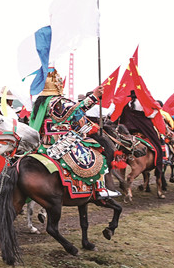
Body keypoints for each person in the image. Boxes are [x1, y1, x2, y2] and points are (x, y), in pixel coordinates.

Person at [29, 68, 117, 198]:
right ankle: (99, 188)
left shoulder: (41, 103)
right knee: (96, 152)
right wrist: (94, 96)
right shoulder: (57, 101)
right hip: (59, 140)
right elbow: (75, 110)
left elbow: (71, 116)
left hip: (44, 139)